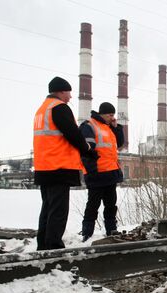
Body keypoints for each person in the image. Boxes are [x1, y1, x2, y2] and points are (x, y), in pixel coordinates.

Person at [33, 76, 95, 250]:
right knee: (58, 211)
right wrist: (88, 150)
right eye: (69, 92)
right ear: (61, 91)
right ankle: (53, 247)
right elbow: (74, 134)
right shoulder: (59, 108)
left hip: (44, 167)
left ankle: (43, 246)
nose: (70, 97)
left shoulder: (42, 109)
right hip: (58, 167)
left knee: (47, 209)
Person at [79, 102, 125, 241]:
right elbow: (86, 151)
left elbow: (120, 144)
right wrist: (92, 172)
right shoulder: (89, 126)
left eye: (113, 115)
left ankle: (111, 230)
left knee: (111, 205)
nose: (112, 117)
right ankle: (87, 233)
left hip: (110, 173)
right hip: (97, 174)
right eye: (110, 115)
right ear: (102, 114)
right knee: (93, 205)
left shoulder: (109, 127)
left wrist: (117, 128)